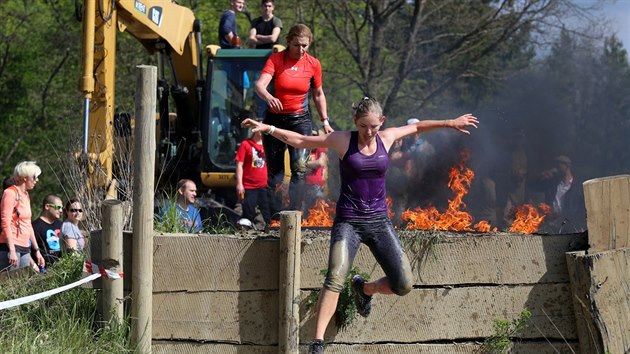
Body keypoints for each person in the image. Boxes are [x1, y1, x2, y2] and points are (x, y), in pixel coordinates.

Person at [241, 96, 479, 353]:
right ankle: (317, 343)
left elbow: (418, 128)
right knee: (334, 277)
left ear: (382, 122)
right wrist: (270, 129)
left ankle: (365, 289)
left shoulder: (386, 138)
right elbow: (301, 140)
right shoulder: (343, 140)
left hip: (379, 221)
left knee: (404, 284)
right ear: (356, 122)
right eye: (364, 126)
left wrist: (450, 122)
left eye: (374, 126)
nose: (369, 132)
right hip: (349, 222)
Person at [255, 24, 333, 212]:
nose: (301, 50)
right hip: (275, 119)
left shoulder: (313, 64)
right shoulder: (275, 60)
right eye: (297, 45)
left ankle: (295, 215)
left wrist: (325, 121)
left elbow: (318, 94)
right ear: (288, 42)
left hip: (300, 121)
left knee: (299, 168)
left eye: (305, 46)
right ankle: (274, 218)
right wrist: (269, 97)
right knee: (275, 173)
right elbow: (260, 85)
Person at [0, 161, 45, 271]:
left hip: (25, 247)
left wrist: (36, 250)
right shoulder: (10, 193)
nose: (36, 180)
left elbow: (28, 224)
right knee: (8, 285)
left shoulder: (26, 195)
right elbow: (5, 222)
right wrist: (11, 250)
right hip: (10, 246)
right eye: (34, 177)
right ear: (25, 177)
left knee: (22, 285)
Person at [235, 120, 272, 229]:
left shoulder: (268, 146)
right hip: (249, 185)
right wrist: (239, 184)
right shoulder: (245, 144)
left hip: (264, 185)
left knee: (267, 212)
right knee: (248, 211)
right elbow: (239, 165)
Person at [536, 155, 586, 232]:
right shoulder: (553, 184)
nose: (556, 168)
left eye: (558, 165)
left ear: (567, 166)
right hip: (552, 225)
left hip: (570, 226)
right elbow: (535, 187)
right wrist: (542, 177)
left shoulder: (578, 187)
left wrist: (576, 222)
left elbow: (581, 209)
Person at [32, 195, 63, 265]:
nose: (61, 210)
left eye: (61, 208)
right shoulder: (35, 226)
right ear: (47, 206)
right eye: (58, 207)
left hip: (62, 268)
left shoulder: (61, 225)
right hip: (43, 270)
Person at [304, 129, 328, 214]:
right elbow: (295, 165)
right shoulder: (303, 149)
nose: (313, 138)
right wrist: (312, 164)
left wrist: (303, 164)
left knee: (317, 209)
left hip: (316, 185)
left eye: (315, 136)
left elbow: (320, 162)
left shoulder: (319, 148)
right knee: (306, 210)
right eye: (311, 135)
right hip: (304, 184)